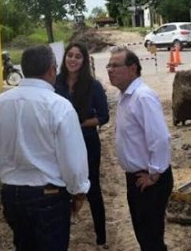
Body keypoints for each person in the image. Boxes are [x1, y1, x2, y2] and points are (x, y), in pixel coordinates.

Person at [0, 45, 90, 251]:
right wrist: (79, 191)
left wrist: (7, 173)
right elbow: (73, 161)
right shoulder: (59, 106)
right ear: (51, 70)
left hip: (12, 195)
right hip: (49, 195)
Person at [107, 46, 173, 251]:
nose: (110, 70)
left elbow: (160, 138)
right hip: (136, 178)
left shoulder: (142, 97)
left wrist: (154, 175)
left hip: (149, 180)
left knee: (151, 239)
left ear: (133, 68)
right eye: (109, 65)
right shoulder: (126, 97)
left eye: (115, 65)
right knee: (144, 236)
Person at [55, 42, 109, 248]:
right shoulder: (56, 83)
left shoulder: (93, 85)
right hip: (61, 143)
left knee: (93, 187)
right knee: (61, 187)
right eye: (70, 55)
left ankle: (101, 237)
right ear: (64, 58)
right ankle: (63, 233)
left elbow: (104, 117)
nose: (73, 60)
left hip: (87, 141)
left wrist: (79, 123)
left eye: (78, 56)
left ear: (84, 61)